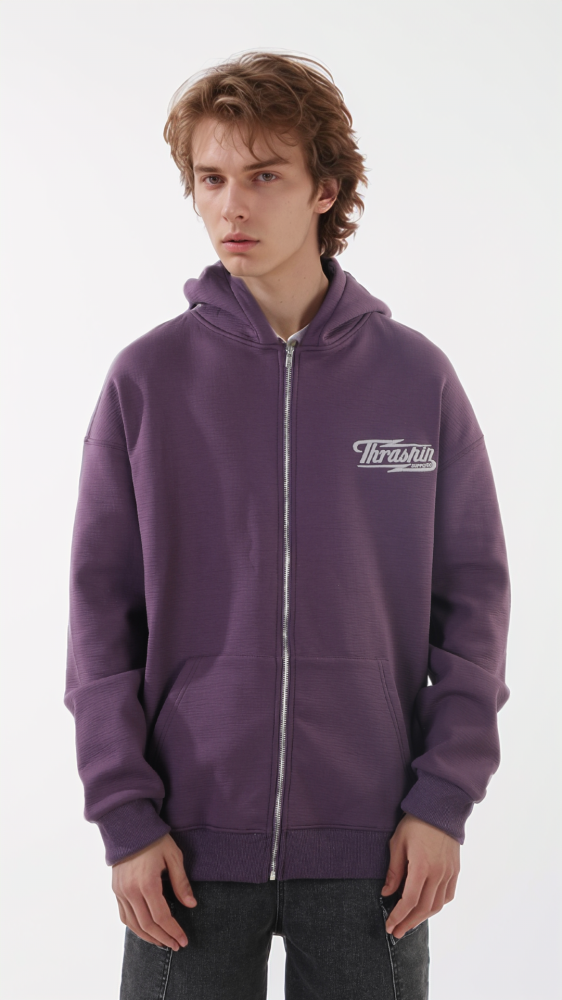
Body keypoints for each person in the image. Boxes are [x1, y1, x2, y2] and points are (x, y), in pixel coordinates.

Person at [64, 50, 511, 999]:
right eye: (211, 179)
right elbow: (100, 615)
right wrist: (126, 819)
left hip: (376, 851)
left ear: (325, 190)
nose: (233, 205)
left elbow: (473, 606)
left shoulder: (417, 379)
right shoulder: (146, 381)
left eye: (265, 176)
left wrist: (444, 801)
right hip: (183, 850)